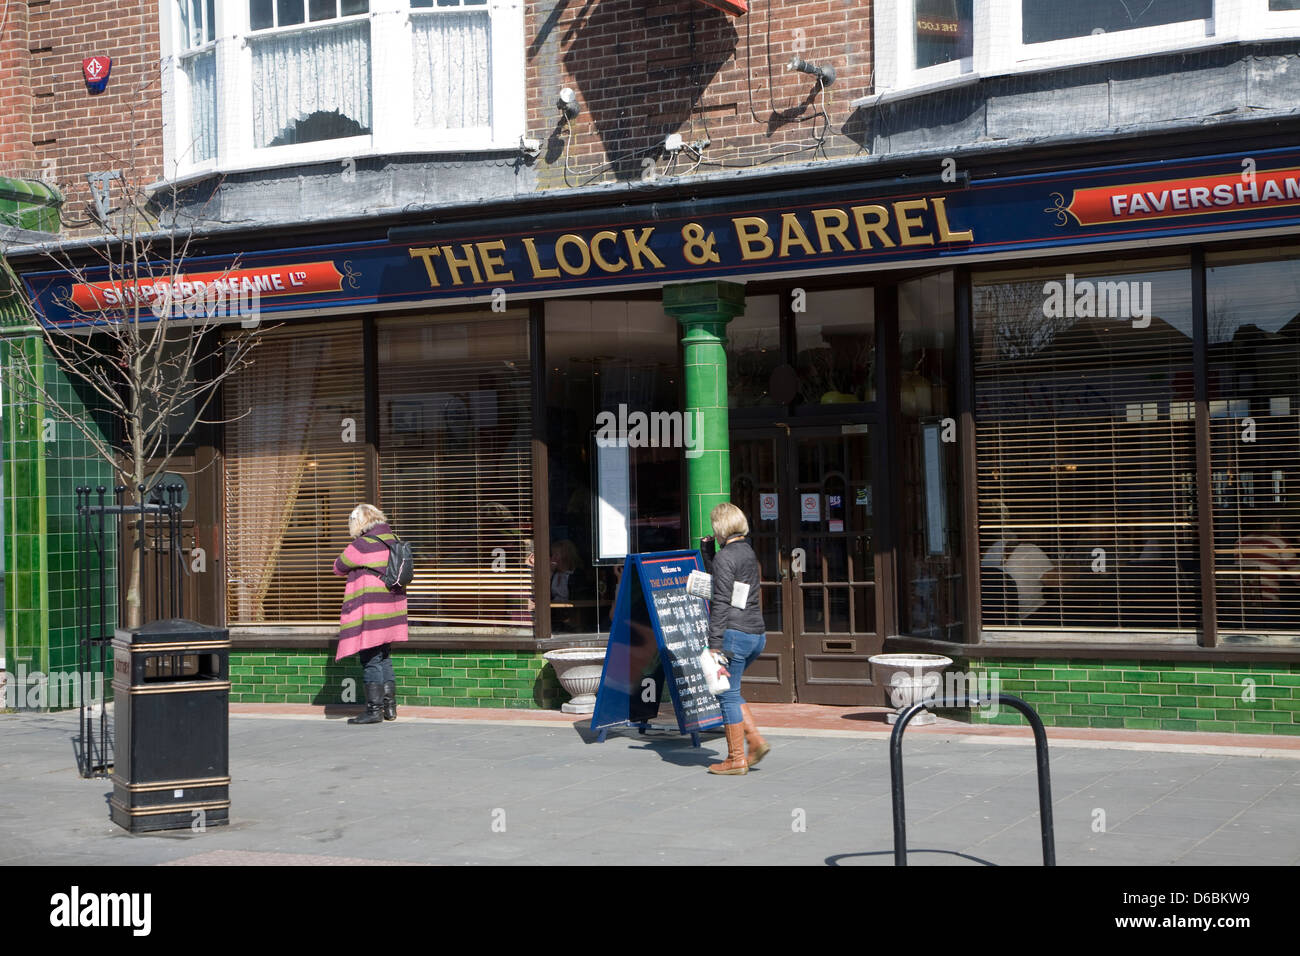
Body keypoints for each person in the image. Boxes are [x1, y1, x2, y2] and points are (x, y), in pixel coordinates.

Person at [704, 502, 770, 775]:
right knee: (733, 691)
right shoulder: (747, 552)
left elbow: (720, 600)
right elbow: (729, 585)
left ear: (720, 527)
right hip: (757, 634)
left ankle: (736, 759)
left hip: (734, 636)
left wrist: (714, 644)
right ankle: (754, 742)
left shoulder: (726, 557)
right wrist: (710, 553)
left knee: (727, 696)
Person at [334, 504, 409, 725]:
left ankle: (373, 711)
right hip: (392, 609)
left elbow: (338, 567)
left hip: (372, 611)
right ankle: (390, 708)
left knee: (370, 659)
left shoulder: (362, 545)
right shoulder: (393, 539)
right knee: (384, 656)